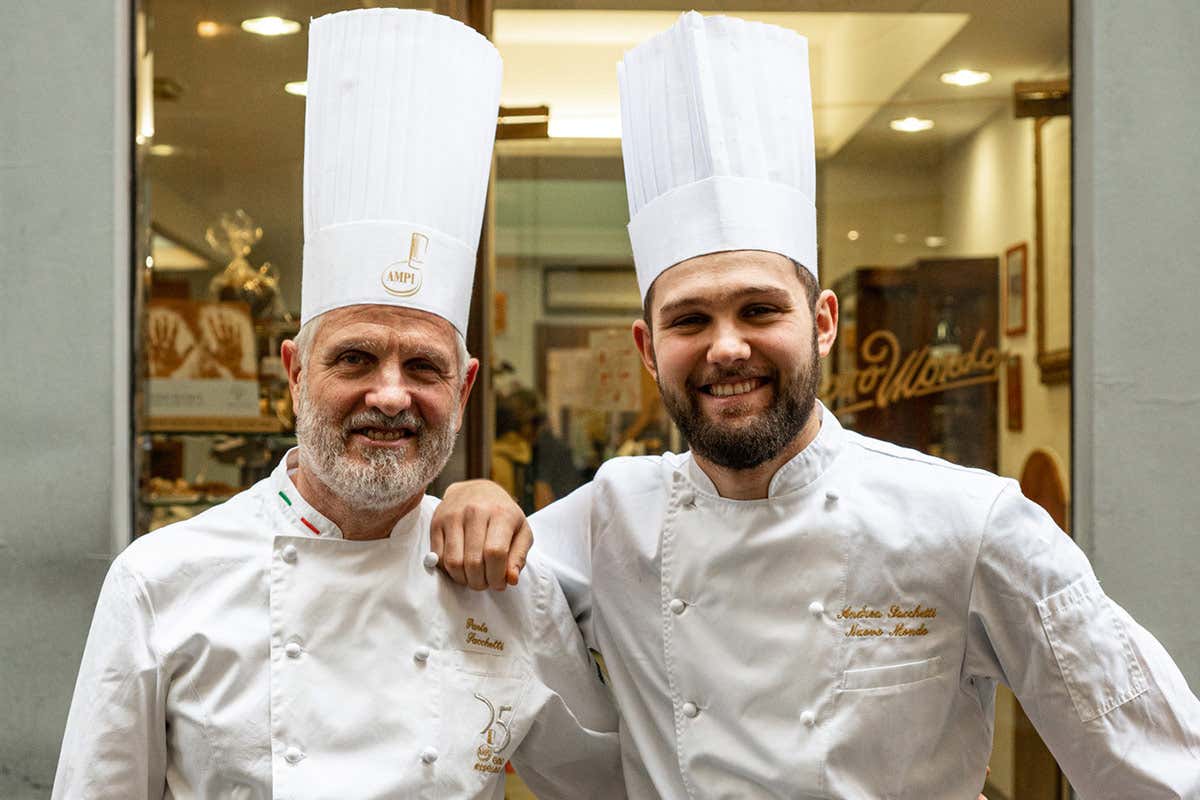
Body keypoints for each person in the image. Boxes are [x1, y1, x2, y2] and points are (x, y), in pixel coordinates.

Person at [431, 12, 1200, 799]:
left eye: (760, 310)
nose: (727, 347)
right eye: (689, 320)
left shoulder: (972, 523)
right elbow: (478, 587)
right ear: (647, 347)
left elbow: (1159, 769)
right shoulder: (612, 514)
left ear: (823, 322)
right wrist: (474, 495)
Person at [53, 10, 622, 799]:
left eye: (422, 366)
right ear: (293, 372)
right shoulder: (161, 580)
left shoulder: (506, 584)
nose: (389, 394)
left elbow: (607, 784)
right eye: (354, 358)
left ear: (463, 391)